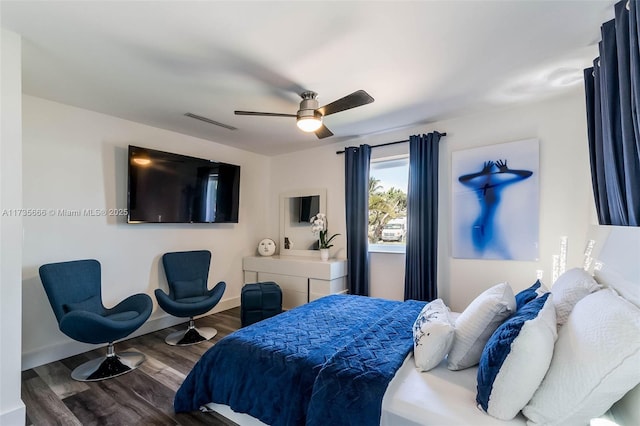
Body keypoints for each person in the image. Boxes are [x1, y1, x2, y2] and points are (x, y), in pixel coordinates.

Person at [458, 159, 532, 258]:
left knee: (504, 256)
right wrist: (480, 173)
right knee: (481, 256)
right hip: (481, 226)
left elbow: (528, 174)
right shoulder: (480, 186)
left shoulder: (497, 185)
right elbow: (462, 179)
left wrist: (508, 171)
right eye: (487, 173)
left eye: (490, 172)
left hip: (491, 227)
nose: (489, 175)